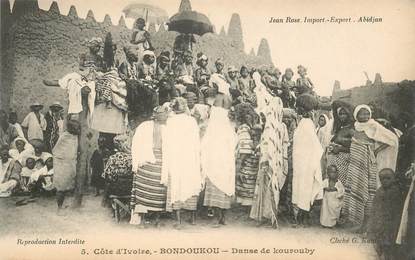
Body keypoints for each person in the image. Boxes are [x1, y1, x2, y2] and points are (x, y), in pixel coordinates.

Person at [345, 105, 399, 232]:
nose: (364, 116)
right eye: (361, 114)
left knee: (368, 193)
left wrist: (376, 150)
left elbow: (392, 139)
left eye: (367, 113)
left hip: (367, 164)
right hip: (356, 164)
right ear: (356, 115)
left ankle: (366, 226)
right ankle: (360, 224)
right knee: (357, 190)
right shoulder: (356, 126)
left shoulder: (373, 125)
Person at [250, 71, 288, 228]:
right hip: (267, 148)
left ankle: (272, 215)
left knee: (273, 181)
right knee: (264, 180)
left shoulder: (276, 104)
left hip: (274, 150)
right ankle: (263, 215)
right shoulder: (269, 124)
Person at [202, 71, 237, 226]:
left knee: (213, 169)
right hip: (226, 139)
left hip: (215, 138)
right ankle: (223, 215)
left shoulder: (214, 99)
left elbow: (211, 120)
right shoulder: (229, 99)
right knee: (225, 171)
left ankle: (213, 210)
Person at [163, 98, 202, 227]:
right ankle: (193, 219)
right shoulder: (191, 121)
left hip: (175, 158)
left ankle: (178, 221)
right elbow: (197, 140)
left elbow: (166, 142)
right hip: (190, 157)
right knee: (190, 183)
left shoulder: (170, 121)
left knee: (176, 185)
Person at [130, 106, 169, 227]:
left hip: (161, 160)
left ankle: (156, 217)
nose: (165, 116)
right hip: (145, 160)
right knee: (143, 188)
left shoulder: (168, 128)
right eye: (163, 114)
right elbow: (136, 143)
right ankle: (143, 216)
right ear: (155, 114)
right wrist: (137, 160)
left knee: (159, 189)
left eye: (166, 114)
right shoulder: (145, 126)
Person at [292, 94, 323, 227]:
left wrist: (310, 159)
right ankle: (301, 217)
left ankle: (302, 218)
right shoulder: (304, 123)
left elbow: (315, 146)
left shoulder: (306, 124)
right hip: (302, 162)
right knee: (302, 188)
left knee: (304, 188)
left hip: (306, 162)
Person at [368, 168, 404, 260]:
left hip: (391, 224)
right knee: (378, 245)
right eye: (382, 179)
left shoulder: (396, 191)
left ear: (394, 178)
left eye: (388, 178)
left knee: (389, 246)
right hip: (379, 223)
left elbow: (397, 211)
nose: (385, 181)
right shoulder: (379, 191)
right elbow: (374, 208)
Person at [235, 104, 260, 207]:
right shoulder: (251, 126)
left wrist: (238, 166)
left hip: (246, 160)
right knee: (248, 182)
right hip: (251, 159)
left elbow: (244, 149)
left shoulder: (244, 128)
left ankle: (246, 206)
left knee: (245, 181)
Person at [53, 120, 80, 215]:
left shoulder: (75, 136)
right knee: (61, 187)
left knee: (68, 186)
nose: (78, 130)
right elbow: (57, 151)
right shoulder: (65, 137)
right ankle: (59, 208)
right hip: (62, 165)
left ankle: (64, 205)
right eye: (76, 128)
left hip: (70, 164)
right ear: (70, 128)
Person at [326, 101, 355, 186]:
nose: (342, 116)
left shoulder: (351, 129)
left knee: (341, 184)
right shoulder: (340, 128)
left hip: (344, 162)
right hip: (335, 162)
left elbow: (354, 146)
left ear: (349, 115)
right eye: (340, 114)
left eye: (344, 114)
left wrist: (340, 148)